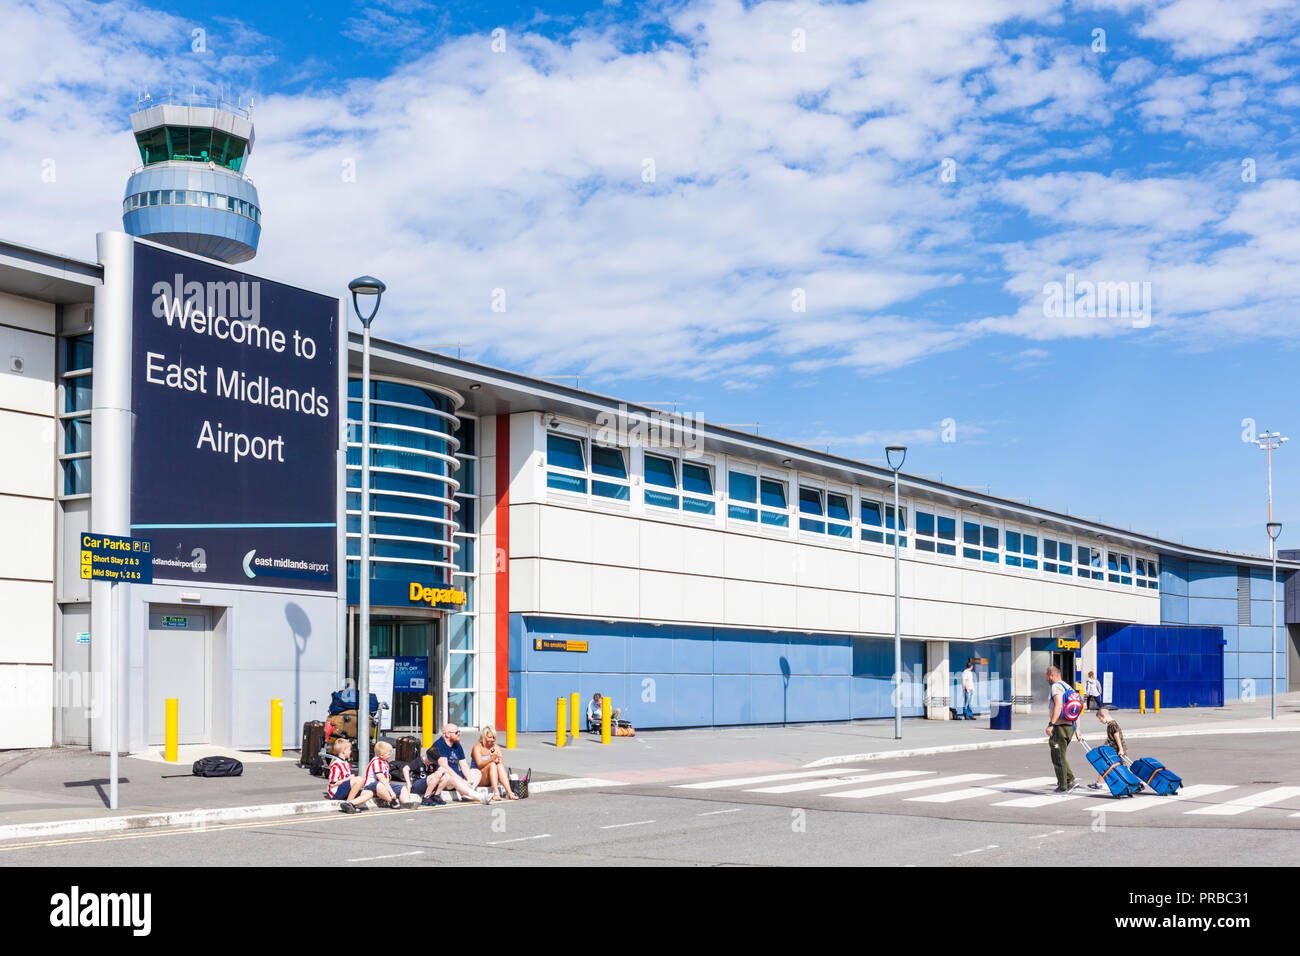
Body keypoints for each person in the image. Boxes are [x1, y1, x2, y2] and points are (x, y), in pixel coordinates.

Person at [431, 723, 493, 804]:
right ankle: (481, 797)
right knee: (451, 777)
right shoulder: (439, 745)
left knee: (476, 772)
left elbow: (463, 764)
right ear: (447, 734)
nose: (459, 734)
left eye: (459, 731)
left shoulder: (456, 745)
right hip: (445, 780)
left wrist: (469, 781)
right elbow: (446, 768)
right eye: (456, 732)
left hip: (456, 776)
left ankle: (466, 794)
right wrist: (462, 781)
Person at [1044, 666, 1079, 793]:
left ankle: (1063, 786)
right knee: (1061, 755)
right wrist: (1077, 728)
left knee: (1057, 756)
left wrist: (1051, 724)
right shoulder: (1067, 686)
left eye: (1046, 676)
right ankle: (1071, 780)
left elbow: (1058, 706)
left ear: (1051, 675)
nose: (1046, 679)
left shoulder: (1056, 687)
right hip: (1069, 726)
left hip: (1060, 727)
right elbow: (1077, 708)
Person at [324, 737, 372, 813]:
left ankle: (350, 803)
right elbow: (332, 784)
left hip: (345, 790)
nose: (350, 752)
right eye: (349, 750)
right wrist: (348, 779)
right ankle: (348, 804)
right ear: (343, 751)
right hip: (336, 792)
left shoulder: (345, 763)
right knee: (359, 779)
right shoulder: (336, 764)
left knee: (369, 793)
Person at [472, 725, 519, 800]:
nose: (492, 740)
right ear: (484, 737)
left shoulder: (496, 747)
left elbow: (500, 762)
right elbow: (479, 765)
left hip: (491, 777)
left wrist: (498, 759)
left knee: (499, 765)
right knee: (492, 764)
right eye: (490, 737)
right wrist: (492, 758)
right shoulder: (477, 747)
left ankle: (509, 792)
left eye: (494, 737)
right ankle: (496, 793)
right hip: (478, 777)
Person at [1088, 708, 1126, 790]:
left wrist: (1121, 749)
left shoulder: (1112, 724)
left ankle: (1132, 781)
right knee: (1106, 765)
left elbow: (1117, 737)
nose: (1100, 721)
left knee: (1122, 767)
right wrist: (1104, 745)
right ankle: (1099, 783)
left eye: (1100, 719)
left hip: (1116, 750)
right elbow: (1109, 737)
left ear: (1103, 716)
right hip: (1114, 749)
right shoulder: (1110, 724)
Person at [361, 739, 403, 809]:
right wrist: (391, 792)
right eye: (388, 753)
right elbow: (382, 779)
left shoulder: (385, 761)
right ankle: (392, 801)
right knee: (380, 785)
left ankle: (406, 803)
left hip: (383, 785)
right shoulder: (376, 762)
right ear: (381, 755)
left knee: (402, 788)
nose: (390, 755)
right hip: (372, 786)